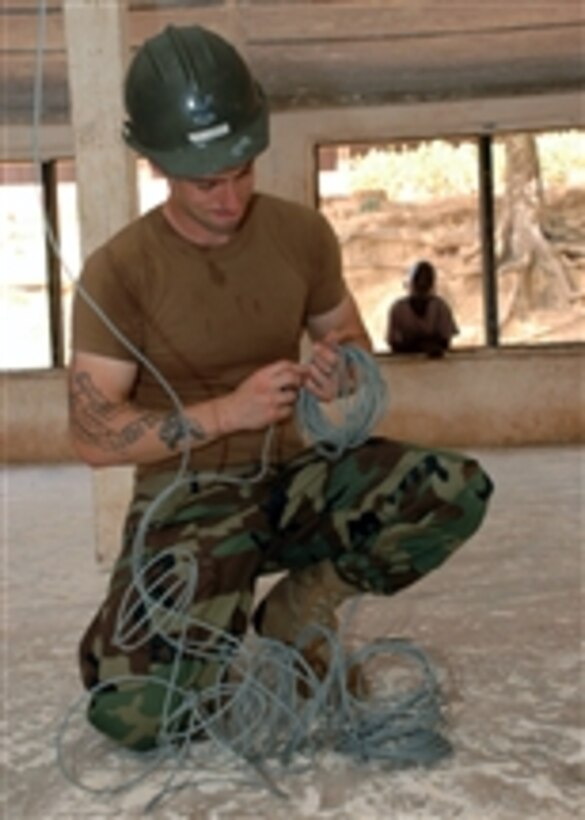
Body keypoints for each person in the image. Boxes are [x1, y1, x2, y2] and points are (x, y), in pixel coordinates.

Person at [68, 24, 493, 752]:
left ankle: (297, 612)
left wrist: (340, 367)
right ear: (159, 165)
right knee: (133, 714)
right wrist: (221, 414)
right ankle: (190, 639)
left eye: (242, 170)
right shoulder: (120, 270)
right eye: (207, 181)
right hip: (190, 496)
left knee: (452, 488)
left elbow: (352, 338)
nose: (230, 198)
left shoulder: (302, 235)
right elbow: (91, 433)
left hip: (295, 476)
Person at [386, 260, 459, 357]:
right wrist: (421, 345)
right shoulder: (399, 309)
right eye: (418, 279)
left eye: (427, 280)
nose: (422, 283)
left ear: (432, 283)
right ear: (411, 281)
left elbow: (445, 342)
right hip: (405, 364)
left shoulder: (441, 307)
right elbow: (394, 343)